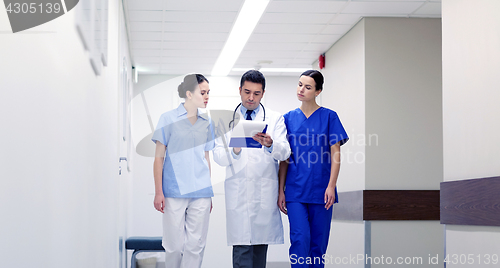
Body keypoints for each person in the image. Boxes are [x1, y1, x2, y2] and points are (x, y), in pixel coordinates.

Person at [213, 70, 291, 268]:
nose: (251, 98)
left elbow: (285, 153)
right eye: (247, 92)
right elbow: (218, 156)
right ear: (239, 90)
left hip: (263, 196)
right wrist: (235, 149)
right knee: (241, 253)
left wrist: (271, 144)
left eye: (256, 93)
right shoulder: (225, 120)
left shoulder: (274, 119)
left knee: (258, 256)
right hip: (238, 197)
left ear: (263, 93)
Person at [278, 70, 349, 268]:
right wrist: (280, 190)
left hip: (321, 191)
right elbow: (284, 158)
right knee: (300, 240)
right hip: (295, 191)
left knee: (318, 246)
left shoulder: (329, 117)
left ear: (318, 91)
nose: (301, 90)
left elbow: (336, 155)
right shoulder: (287, 119)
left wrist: (331, 186)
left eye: (308, 87)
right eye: (300, 84)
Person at [152, 74, 214, 268]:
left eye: (208, 93)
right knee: (174, 246)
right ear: (188, 94)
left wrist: (209, 191)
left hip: (201, 192)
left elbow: (206, 158)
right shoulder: (168, 118)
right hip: (173, 190)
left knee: (195, 246)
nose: (206, 97)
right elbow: (158, 158)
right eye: (202, 93)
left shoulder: (206, 123)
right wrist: (158, 191)